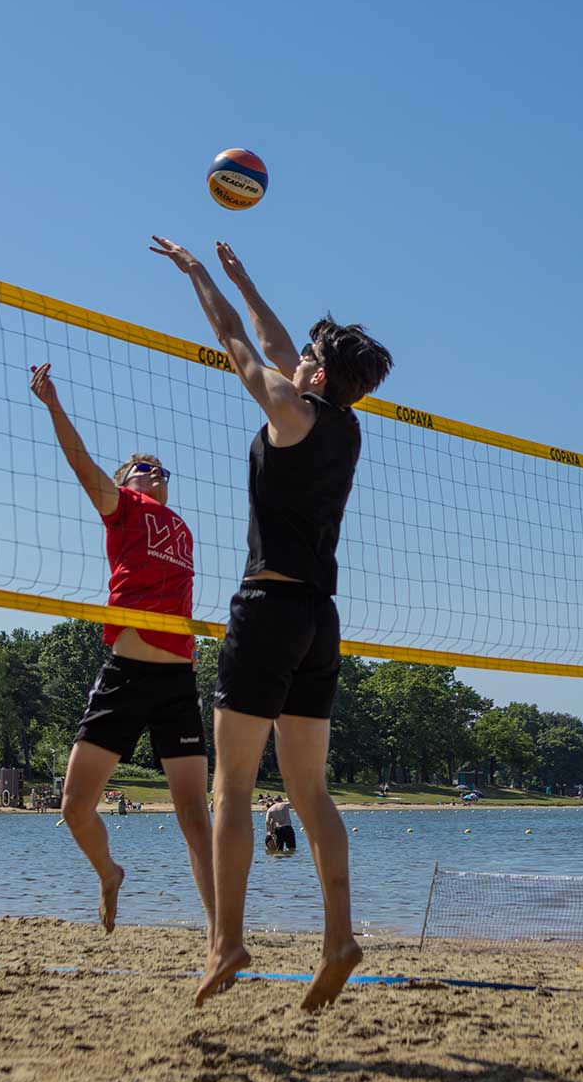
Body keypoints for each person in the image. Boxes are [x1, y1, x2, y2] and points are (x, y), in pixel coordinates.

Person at [151, 236, 392, 1008]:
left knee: (231, 789)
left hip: (266, 610)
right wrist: (244, 275)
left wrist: (200, 281)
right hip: (321, 620)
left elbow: (238, 344)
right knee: (311, 792)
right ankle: (340, 937)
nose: (294, 359)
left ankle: (226, 942)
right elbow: (278, 342)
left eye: (307, 357)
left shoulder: (288, 410)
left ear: (316, 375)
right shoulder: (346, 425)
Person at [30, 363, 214, 940]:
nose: (155, 472)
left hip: (178, 682)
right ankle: (110, 873)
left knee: (194, 815)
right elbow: (81, 462)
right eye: (143, 467)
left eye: (162, 469)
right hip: (125, 677)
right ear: (125, 480)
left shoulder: (180, 525)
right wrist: (54, 405)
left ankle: (221, 933)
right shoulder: (122, 508)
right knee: (74, 808)